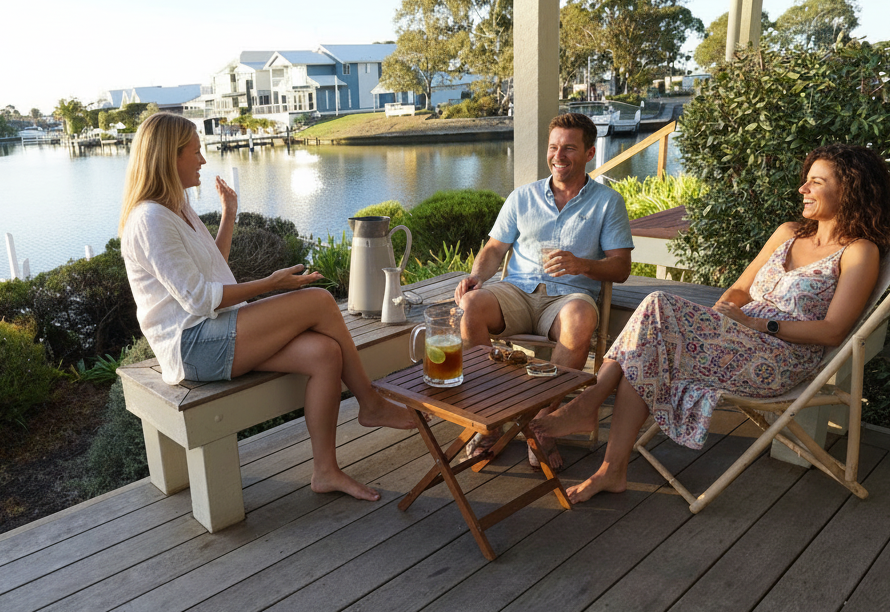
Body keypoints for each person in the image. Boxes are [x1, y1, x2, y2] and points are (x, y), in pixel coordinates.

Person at [534, 143, 890, 504]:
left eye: (816, 182)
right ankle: (610, 469)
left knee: (658, 308)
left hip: (782, 358)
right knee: (651, 343)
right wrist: (722, 314)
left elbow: (834, 330)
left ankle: (591, 403)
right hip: (736, 337)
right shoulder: (789, 233)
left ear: (850, 190)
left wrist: (758, 327)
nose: (803, 188)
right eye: (806, 180)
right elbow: (740, 289)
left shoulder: (858, 252)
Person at [119, 113, 417, 502]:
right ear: (168, 157)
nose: (202, 160)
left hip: (215, 330)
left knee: (325, 354)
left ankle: (325, 471)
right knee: (320, 300)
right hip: (191, 346)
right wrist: (273, 284)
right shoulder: (150, 219)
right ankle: (372, 404)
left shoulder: (177, 208)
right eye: (195, 152)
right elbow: (198, 299)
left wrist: (229, 214)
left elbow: (215, 272)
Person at [454, 112, 633, 467]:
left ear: (589, 153)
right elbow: (493, 250)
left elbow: (621, 268)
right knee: (471, 305)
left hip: (569, 297)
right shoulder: (523, 197)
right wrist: (476, 277)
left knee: (581, 317)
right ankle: (491, 418)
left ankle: (543, 424)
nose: (558, 155)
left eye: (569, 148)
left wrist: (582, 265)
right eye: (553, 147)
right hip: (517, 291)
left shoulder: (607, 202)